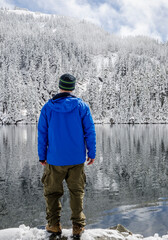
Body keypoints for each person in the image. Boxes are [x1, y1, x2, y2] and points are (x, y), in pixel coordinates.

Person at [37, 73, 96, 238]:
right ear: (73, 88)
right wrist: (91, 153)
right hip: (77, 160)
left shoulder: (48, 107)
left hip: (54, 159)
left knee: (52, 193)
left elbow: (42, 134)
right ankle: (78, 226)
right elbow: (90, 132)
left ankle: (54, 225)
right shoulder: (82, 107)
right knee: (77, 193)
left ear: (60, 86)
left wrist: (42, 156)